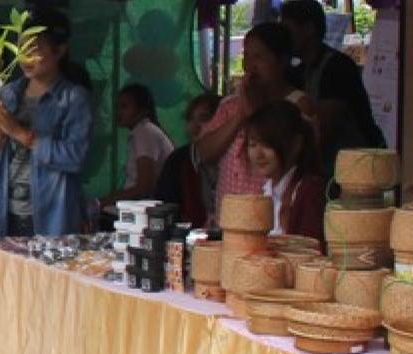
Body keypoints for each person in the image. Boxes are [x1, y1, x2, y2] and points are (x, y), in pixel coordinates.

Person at [0, 11, 94, 238]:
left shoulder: (73, 98)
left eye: (35, 49)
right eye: (22, 48)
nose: (25, 57)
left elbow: (76, 157)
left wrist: (23, 134)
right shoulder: (9, 93)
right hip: (4, 212)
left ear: (59, 51)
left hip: (51, 215)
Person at [198, 23, 312, 219]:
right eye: (246, 56)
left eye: (259, 57)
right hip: (228, 216)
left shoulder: (297, 104)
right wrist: (240, 115)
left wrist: (255, 112)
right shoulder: (230, 105)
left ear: (282, 61)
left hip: (272, 218)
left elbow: (297, 158)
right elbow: (205, 152)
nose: (250, 66)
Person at [281, 0, 383, 173]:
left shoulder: (337, 67)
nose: (285, 38)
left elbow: (323, 127)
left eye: (288, 30)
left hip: (359, 165)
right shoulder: (300, 70)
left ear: (309, 29)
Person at [246, 100, 325, 244]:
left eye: (267, 145)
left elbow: (310, 251)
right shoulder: (266, 190)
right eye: (252, 144)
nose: (258, 154)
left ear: (296, 144)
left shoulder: (309, 191)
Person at [98, 83, 173, 212]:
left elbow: (144, 188)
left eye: (124, 106)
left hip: (144, 210)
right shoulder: (143, 130)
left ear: (142, 110)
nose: (118, 112)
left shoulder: (144, 131)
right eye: (117, 107)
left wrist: (102, 202)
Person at [154, 92, 221, 229]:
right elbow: (165, 207)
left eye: (204, 118)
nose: (194, 126)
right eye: (190, 119)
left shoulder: (237, 159)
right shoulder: (177, 161)